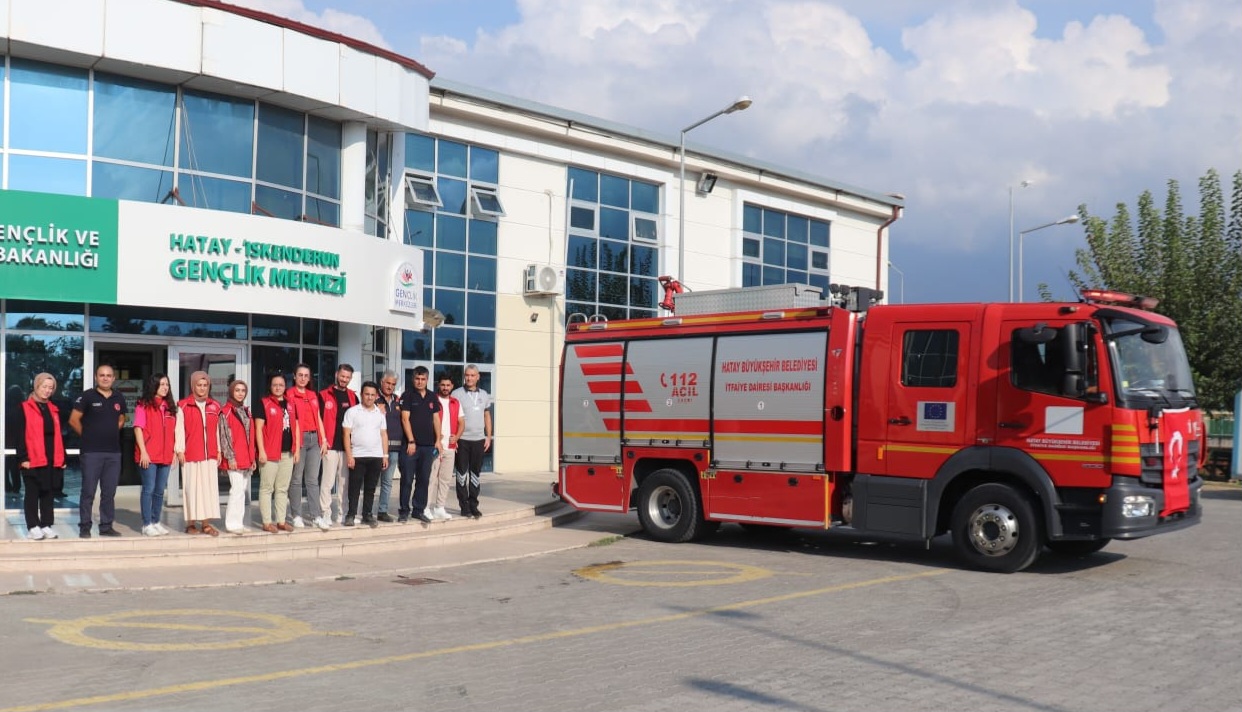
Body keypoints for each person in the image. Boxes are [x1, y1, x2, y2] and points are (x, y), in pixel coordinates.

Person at [69, 363, 127, 538]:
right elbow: (73, 420)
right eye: (102, 375)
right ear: (96, 377)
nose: (105, 378)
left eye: (109, 375)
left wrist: (109, 432)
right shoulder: (87, 396)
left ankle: (106, 526)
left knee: (109, 492)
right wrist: (88, 436)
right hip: (91, 452)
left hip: (113, 453)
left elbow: (122, 419)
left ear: (114, 378)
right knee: (88, 491)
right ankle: (85, 527)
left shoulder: (119, 397)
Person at [15, 373, 65, 540]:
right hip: (32, 457)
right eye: (44, 387)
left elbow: (58, 434)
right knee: (32, 493)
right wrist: (23, 458)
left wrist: (61, 457)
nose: (47, 391)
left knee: (48, 492)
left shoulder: (53, 408)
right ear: (36, 386)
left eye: (51, 388)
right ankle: (33, 526)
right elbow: (19, 435)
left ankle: (46, 525)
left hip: (50, 457)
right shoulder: (24, 407)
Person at [175, 370, 222, 537]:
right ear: (192, 386)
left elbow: (217, 430)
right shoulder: (183, 405)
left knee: (208, 490)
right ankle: (190, 524)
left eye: (205, 385)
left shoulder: (215, 406)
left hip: (210, 454)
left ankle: (206, 524)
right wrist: (179, 450)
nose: (202, 389)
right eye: (199, 385)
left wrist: (219, 450)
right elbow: (178, 429)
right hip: (191, 454)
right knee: (191, 490)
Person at [255, 373, 300, 534]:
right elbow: (258, 429)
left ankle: (281, 521)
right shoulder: (264, 403)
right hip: (270, 453)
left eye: (281, 385)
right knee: (267, 488)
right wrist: (261, 451)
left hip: (287, 453)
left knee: (282, 488)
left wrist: (297, 449)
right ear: (270, 386)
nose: (278, 387)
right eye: (275, 385)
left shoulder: (290, 404)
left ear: (285, 386)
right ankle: (267, 522)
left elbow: (296, 425)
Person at [134, 373, 177, 537]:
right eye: (162, 384)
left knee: (160, 491)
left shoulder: (170, 407)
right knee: (149, 489)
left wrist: (173, 452)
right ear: (154, 386)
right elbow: (138, 428)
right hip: (149, 455)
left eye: (167, 384)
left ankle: (155, 521)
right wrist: (143, 452)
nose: (165, 387)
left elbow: (173, 432)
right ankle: (146, 524)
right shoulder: (143, 404)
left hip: (165, 455)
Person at [341, 381, 388, 528]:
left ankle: (367, 515)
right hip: (358, 456)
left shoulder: (379, 414)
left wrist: (385, 455)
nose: (369, 397)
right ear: (361, 394)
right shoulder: (352, 412)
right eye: (367, 394)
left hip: (376, 455)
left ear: (376, 396)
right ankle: (351, 514)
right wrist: (349, 455)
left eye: (372, 395)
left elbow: (384, 435)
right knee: (354, 487)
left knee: (371, 487)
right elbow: (346, 434)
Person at [286, 364, 325, 529]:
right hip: (299, 438)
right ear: (294, 376)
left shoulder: (312, 395)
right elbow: (292, 420)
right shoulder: (289, 394)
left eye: (306, 375)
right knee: (296, 479)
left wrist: (323, 439)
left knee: (312, 480)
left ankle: (316, 515)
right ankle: (296, 515)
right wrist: (295, 446)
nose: (303, 378)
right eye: (300, 375)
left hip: (314, 439)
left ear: (309, 378)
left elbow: (318, 417)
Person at [319, 364, 358, 528]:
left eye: (348, 377)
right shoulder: (323, 395)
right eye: (342, 376)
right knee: (327, 482)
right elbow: (318, 420)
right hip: (330, 445)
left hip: (347, 447)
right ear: (337, 374)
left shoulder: (353, 397)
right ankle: (325, 513)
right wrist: (323, 440)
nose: (344, 380)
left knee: (344, 483)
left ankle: (342, 513)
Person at [399, 366, 439, 524]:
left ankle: (418, 509)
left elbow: (436, 419)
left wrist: (437, 440)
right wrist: (411, 441)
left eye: (423, 379)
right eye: (417, 378)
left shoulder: (432, 397)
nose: (420, 382)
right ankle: (403, 511)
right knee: (407, 479)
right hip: (411, 446)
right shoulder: (407, 395)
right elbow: (404, 419)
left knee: (423, 479)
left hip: (428, 446)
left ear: (427, 380)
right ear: (413, 379)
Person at [452, 364, 493, 518]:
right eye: (466, 375)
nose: (469, 378)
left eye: (472, 375)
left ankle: (473, 505)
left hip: (478, 440)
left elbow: (487, 416)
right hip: (462, 440)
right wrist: (454, 438)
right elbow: (452, 417)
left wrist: (488, 436)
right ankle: (464, 506)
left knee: (475, 474)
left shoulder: (484, 394)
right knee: (462, 474)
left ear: (478, 377)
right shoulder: (456, 394)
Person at [219, 379, 258, 534]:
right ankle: (231, 523)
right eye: (237, 390)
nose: (240, 393)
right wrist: (230, 457)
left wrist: (252, 458)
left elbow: (251, 436)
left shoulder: (246, 411)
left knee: (241, 491)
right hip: (234, 458)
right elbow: (224, 437)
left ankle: (239, 522)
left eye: (243, 390)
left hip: (246, 457)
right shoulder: (226, 411)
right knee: (236, 490)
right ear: (231, 391)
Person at [429, 373, 464, 521]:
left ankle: (439, 508)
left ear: (452, 386)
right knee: (430, 478)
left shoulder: (456, 402)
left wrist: (457, 436)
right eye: (443, 385)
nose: (445, 387)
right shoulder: (432, 400)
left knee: (445, 479)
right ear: (438, 385)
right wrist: (434, 437)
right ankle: (425, 507)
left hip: (450, 447)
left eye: (448, 385)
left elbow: (461, 422)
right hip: (435, 445)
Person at [375, 370, 403, 522]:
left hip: (394, 449)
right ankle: (366, 511)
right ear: (382, 382)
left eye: (393, 384)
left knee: (387, 482)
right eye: (388, 383)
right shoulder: (374, 399)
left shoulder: (399, 400)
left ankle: (382, 510)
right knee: (371, 481)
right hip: (376, 448)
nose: (390, 386)